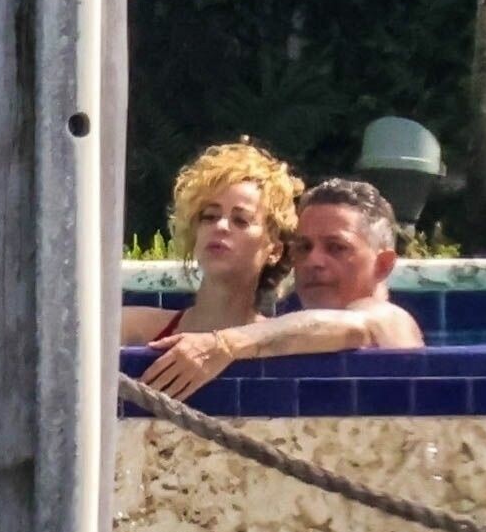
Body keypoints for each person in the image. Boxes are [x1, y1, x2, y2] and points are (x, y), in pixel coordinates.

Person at [142, 178, 424, 400]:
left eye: (336, 248)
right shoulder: (292, 339)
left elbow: (355, 327)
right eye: (304, 247)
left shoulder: (390, 319)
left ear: (383, 265)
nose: (313, 261)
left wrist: (223, 345)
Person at [121, 141, 302, 344]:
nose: (220, 226)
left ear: (275, 250)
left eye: (240, 220)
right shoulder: (129, 329)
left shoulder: (284, 344)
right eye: (209, 216)